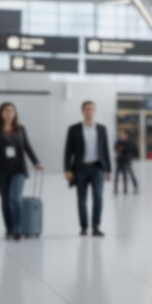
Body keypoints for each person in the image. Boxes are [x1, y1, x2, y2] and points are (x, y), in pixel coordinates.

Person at [64, 100, 112, 237]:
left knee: (98, 197)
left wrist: (109, 170)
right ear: (82, 111)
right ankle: (84, 227)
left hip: (97, 168)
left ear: (95, 111)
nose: (89, 111)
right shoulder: (74, 129)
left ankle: (96, 226)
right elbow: (68, 151)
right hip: (80, 169)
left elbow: (105, 150)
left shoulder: (101, 128)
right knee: (81, 199)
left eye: (91, 109)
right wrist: (67, 169)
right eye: (86, 109)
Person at [0, 102, 42, 240]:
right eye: (5, 111)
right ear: (1, 113)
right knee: (5, 200)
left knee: (15, 198)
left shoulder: (20, 129)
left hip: (18, 169)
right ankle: (9, 229)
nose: (8, 113)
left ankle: (17, 228)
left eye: (11, 111)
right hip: (1, 170)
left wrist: (36, 162)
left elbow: (27, 146)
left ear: (15, 113)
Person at [114, 130, 139, 195]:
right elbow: (116, 148)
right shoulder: (119, 142)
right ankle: (116, 189)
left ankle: (134, 186)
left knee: (130, 173)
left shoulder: (130, 142)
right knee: (117, 175)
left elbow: (133, 150)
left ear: (125, 135)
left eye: (122, 135)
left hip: (127, 161)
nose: (120, 136)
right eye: (120, 135)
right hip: (119, 161)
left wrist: (124, 150)